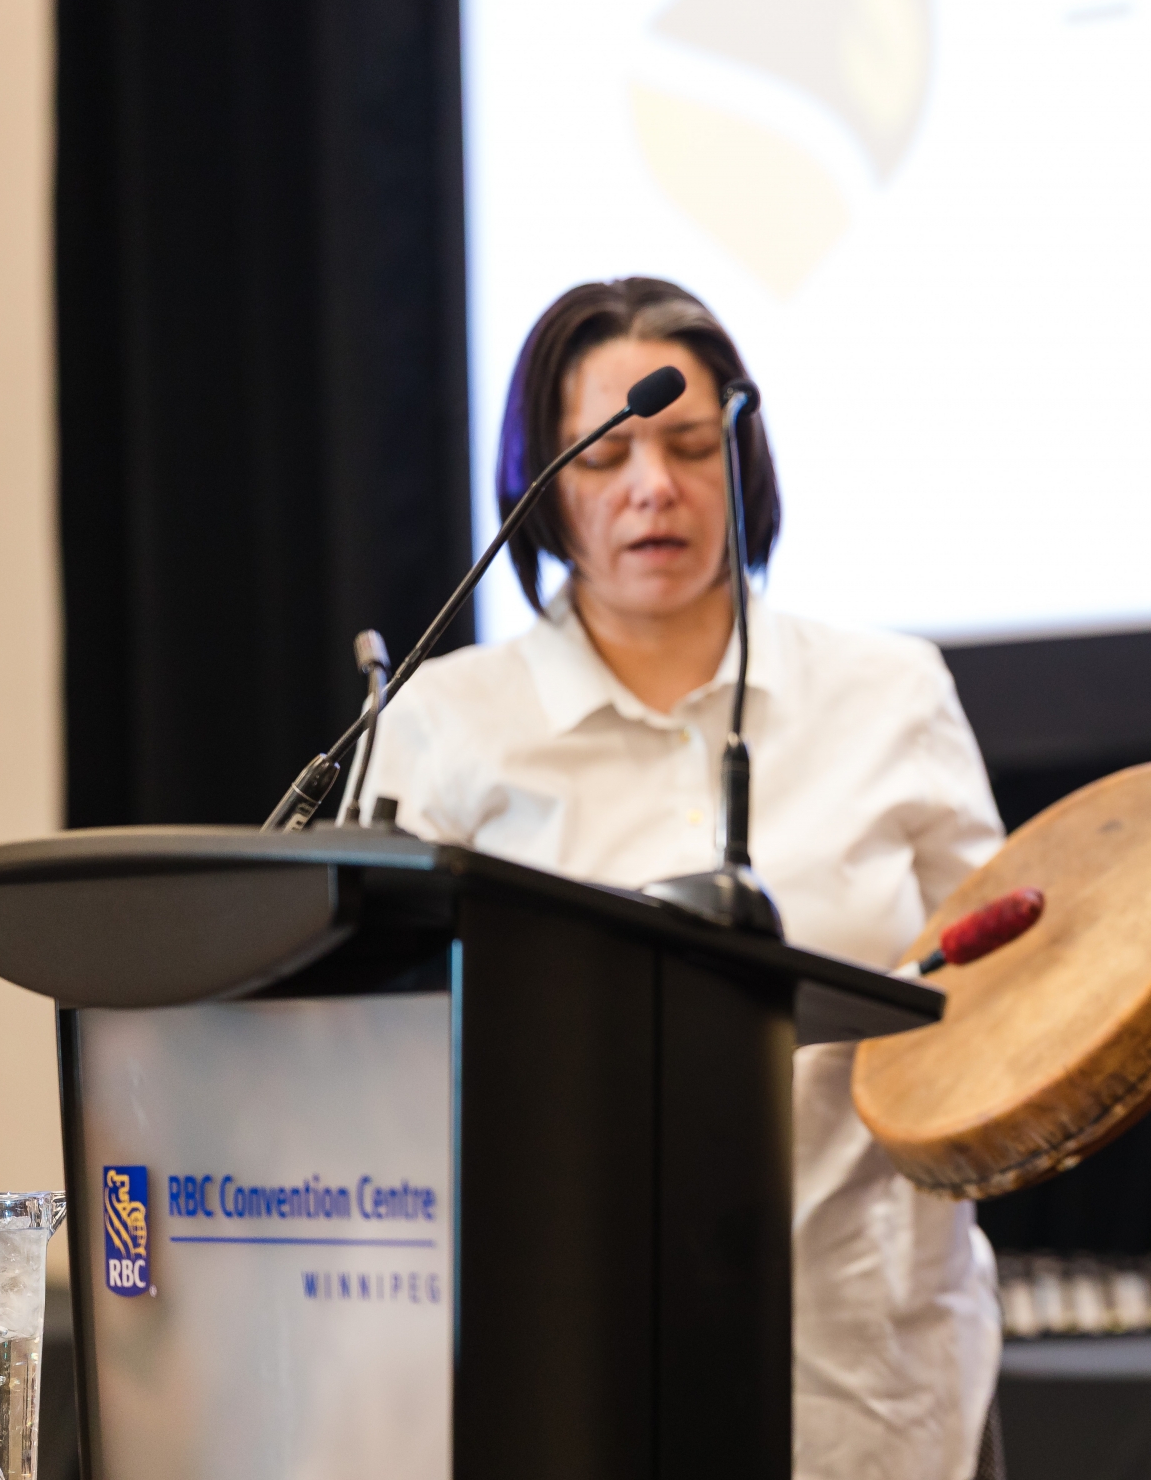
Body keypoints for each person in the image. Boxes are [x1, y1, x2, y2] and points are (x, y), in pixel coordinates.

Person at [366, 278, 1005, 1480]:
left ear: (739, 458)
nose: (653, 487)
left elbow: (1001, 1002)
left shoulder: (890, 694)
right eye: (605, 456)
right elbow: (389, 1053)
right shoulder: (449, 726)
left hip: (864, 1365)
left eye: (691, 445)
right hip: (551, 1354)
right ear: (541, 487)